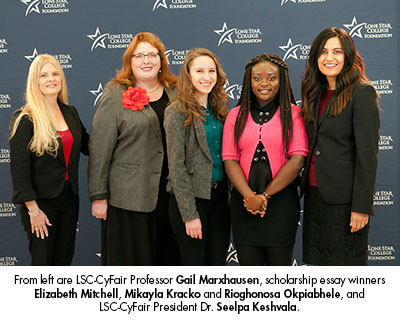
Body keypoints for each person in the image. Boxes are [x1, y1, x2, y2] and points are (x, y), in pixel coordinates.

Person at [88, 32, 180, 265]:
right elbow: (100, 147)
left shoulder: (177, 91)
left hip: (172, 195)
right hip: (128, 196)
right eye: (139, 55)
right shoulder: (115, 92)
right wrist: (98, 195)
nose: (146, 60)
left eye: (152, 55)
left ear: (162, 61)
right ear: (130, 62)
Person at [300, 28, 380, 266]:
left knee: (347, 276)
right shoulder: (314, 92)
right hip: (315, 197)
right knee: (319, 275)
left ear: (347, 56)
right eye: (323, 52)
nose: (329, 58)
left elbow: (367, 157)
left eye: (336, 51)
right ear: (316, 58)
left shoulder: (362, 92)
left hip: (346, 204)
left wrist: (361, 208)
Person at [222, 53, 308, 266]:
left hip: (281, 205)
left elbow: (297, 159)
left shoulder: (294, 114)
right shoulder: (235, 115)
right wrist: (249, 197)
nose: (264, 83)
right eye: (257, 78)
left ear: (282, 81)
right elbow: (230, 159)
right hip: (244, 204)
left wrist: (264, 196)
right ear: (248, 81)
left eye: (271, 78)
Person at [9, 54, 89, 265]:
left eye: (55, 74)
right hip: (40, 203)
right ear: (35, 82)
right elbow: (19, 169)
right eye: (43, 75)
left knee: (64, 259)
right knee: (44, 262)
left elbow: (91, 147)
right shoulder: (25, 118)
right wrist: (33, 210)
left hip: (69, 198)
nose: (51, 79)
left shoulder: (70, 112)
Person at [164, 48, 230, 265]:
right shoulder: (176, 111)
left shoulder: (220, 109)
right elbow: (176, 166)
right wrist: (190, 214)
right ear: (189, 75)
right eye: (200, 71)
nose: (207, 77)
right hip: (192, 201)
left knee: (217, 265)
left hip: (220, 200)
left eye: (211, 71)